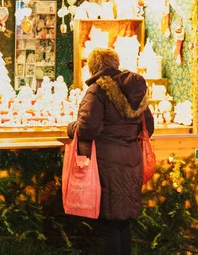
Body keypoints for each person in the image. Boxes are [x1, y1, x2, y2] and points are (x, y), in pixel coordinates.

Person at [67, 48, 154, 255]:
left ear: (94, 67)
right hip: (132, 160)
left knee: (107, 226)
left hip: (106, 164)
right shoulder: (136, 91)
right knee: (123, 223)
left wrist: (71, 128)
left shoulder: (97, 91)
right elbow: (148, 127)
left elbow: (87, 128)